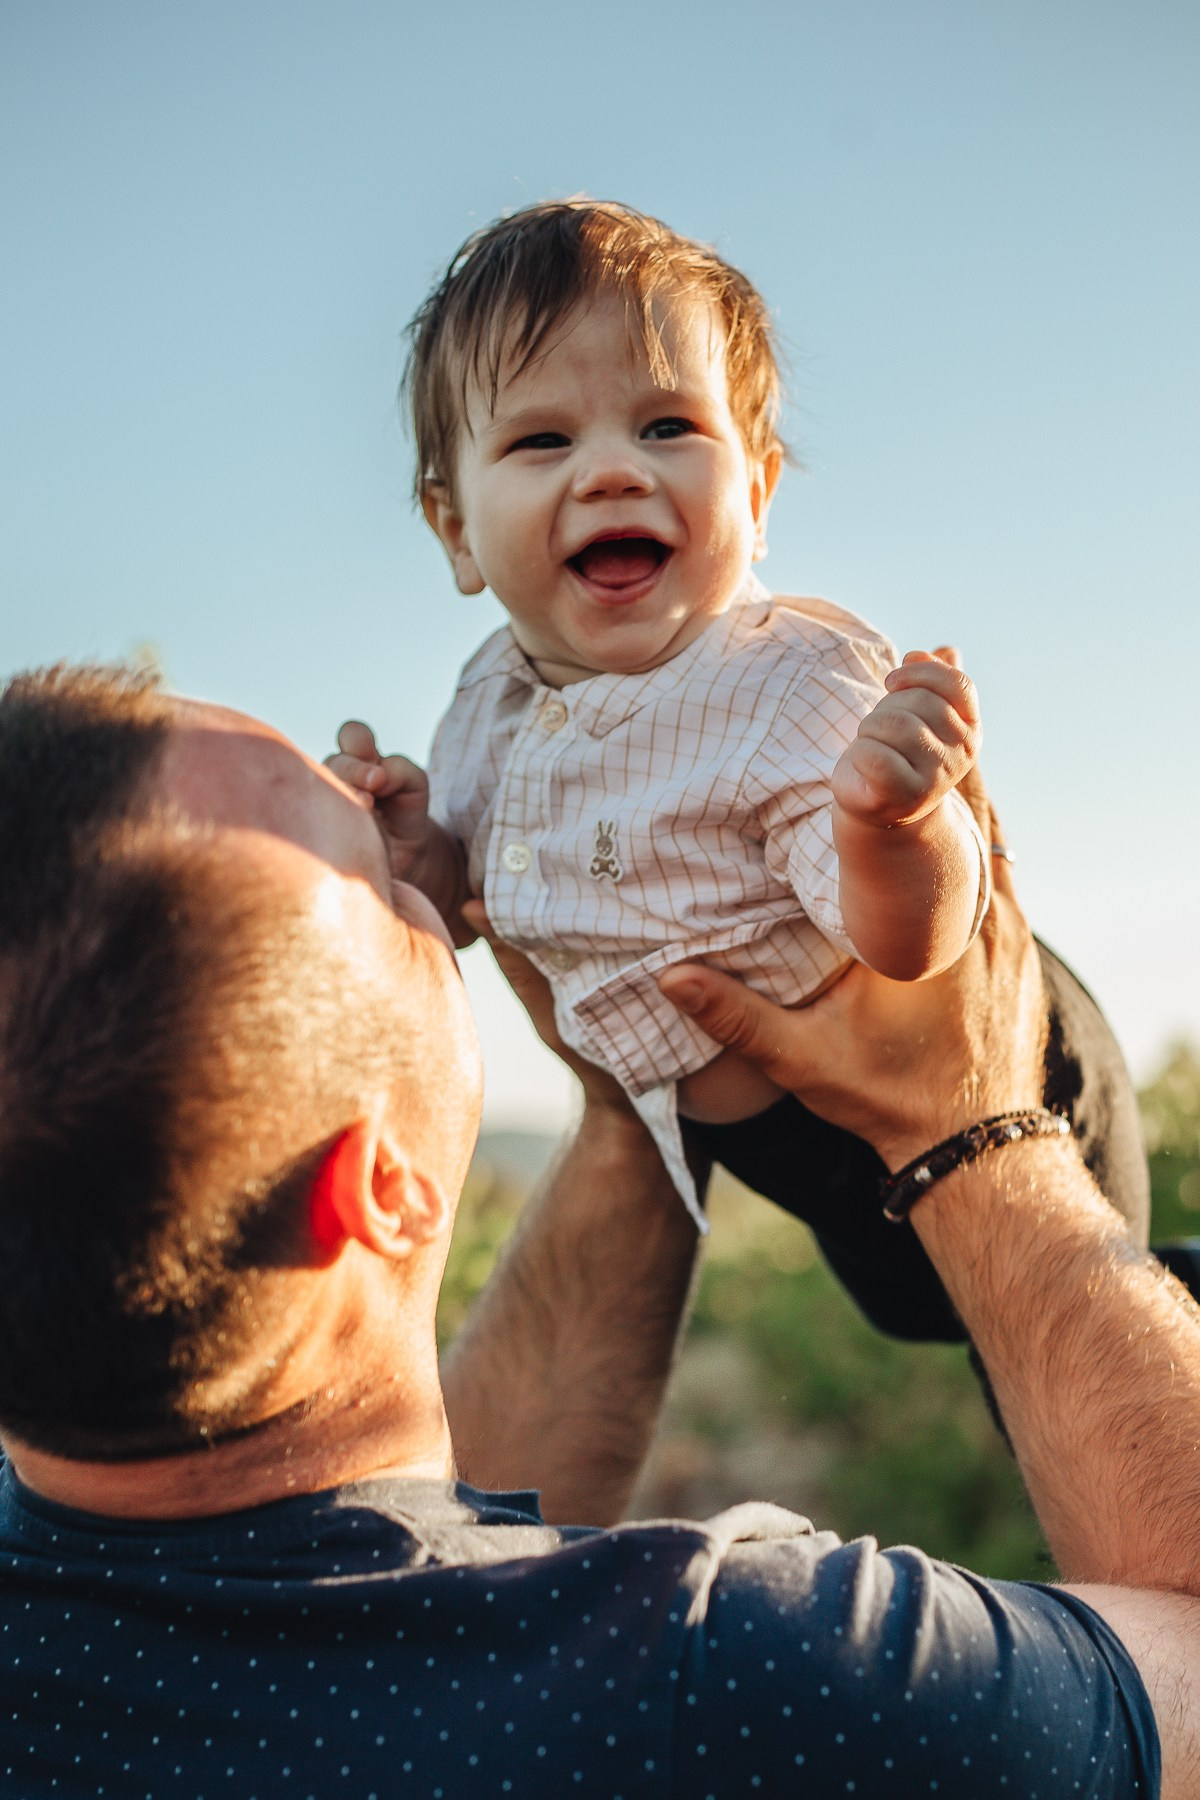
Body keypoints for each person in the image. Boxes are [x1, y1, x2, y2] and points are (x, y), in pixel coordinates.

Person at [0, 661, 1196, 1797]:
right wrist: (974, 1124)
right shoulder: (741, 1687)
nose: (426, 884)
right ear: (376, 1192)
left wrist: (633, 1097)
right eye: (379, 879)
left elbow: (425, 1572)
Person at [331, 197, 1148, 1344]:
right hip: (793, 1155)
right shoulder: (488, 704)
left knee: (1086, 1332)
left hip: (1002, 1085)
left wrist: (894, 826)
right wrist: (416, 852)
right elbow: (475, 890)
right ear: (456, 529)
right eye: (542, 440)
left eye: (667, 427)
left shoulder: (791, 690)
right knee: (926, 1319)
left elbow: (919, 952)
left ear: (756, 496)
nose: (612, 471)